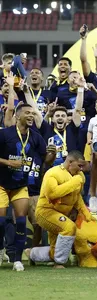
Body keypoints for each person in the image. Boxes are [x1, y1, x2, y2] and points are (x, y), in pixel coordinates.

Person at [0, 103, 55, 271]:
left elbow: (45, 162)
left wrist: (51, 155)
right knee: (1, 222)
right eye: (28, 113)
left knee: (22, 221)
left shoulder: (36, 137)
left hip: (20, 185)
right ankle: (1, 250)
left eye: (33, 113)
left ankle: (17, 259)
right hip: (1, 184)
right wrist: (9, 162)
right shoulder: (4, 134)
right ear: (17, 116)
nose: (31, 116)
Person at [34, 150, 94, 268]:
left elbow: (77, 197)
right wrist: (74, 182)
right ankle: (60, 262)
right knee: (68, 227)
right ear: (70, 162)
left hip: (62, 213)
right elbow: (52, 194)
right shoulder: (52, 173)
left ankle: (32, 253)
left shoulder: (79, 176)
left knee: (54, 250)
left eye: (82, 166)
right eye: (79, 165)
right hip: (45, 212)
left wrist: (86, 213)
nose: (81, 169)